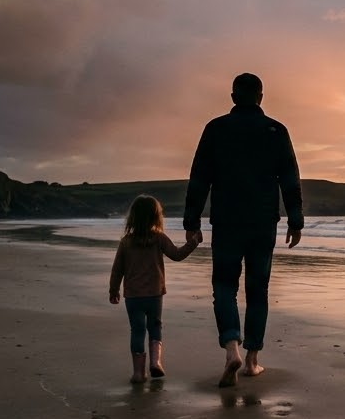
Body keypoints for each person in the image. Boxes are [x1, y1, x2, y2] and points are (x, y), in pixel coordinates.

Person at [183, 72, 304, 387]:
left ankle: (231, 349)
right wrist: (295, 220)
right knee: (257, 290)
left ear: (233, 97)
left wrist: (191, 222)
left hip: (226, 222)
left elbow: (199, 178)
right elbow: (290, 178)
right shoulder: (276, 130)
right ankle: (251, 361)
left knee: (224, 286)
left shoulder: (216, 128)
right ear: (261, 97)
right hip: (263, 222)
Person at [109, 194, 198, 384]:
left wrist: (113, 290)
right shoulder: (159, 238)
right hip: (155, 294)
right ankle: (156, 362)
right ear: (156, 217)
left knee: (137, 330)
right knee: (155, 327)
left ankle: (138, 373)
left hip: (133, 296)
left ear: (133, 217)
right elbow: (177, 255)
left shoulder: (126, 242)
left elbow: (117, 270)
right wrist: (193, 242)